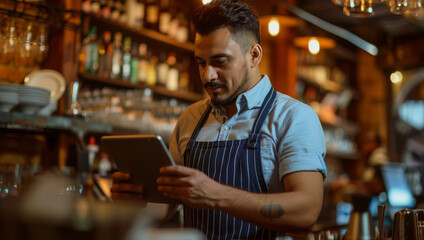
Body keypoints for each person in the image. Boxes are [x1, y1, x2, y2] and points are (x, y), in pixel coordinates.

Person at [111, 0, 327, 239]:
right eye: (201, 63)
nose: (208, 76)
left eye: (219, 62)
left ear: (254, 55)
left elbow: (307, 213)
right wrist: (135, 200)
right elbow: (165, 205)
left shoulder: (293, 117)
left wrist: (215, 195)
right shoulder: (190, 118)